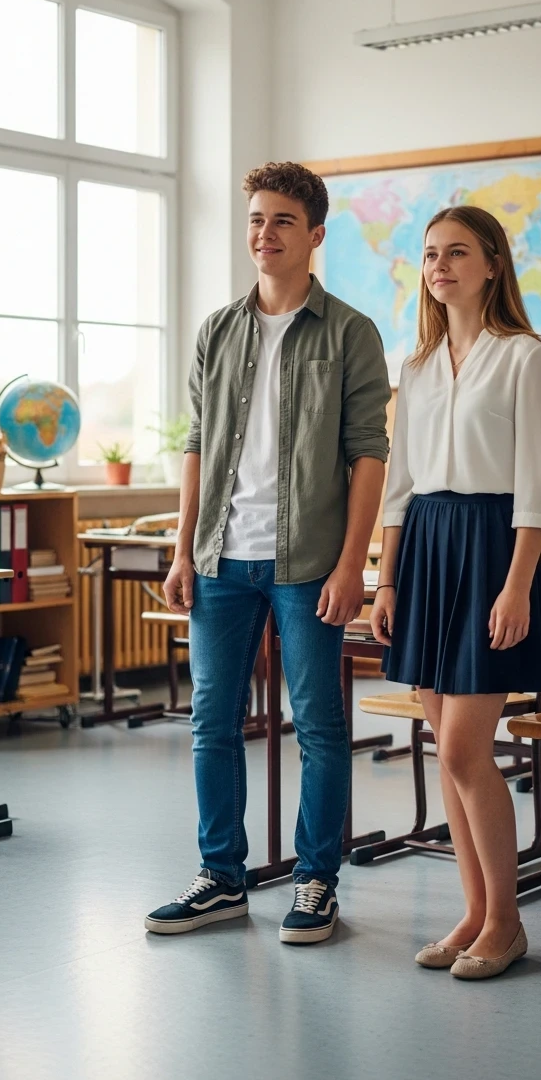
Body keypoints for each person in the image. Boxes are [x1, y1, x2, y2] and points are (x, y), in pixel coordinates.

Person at [145, 161, 391, 945]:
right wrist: (182, 550)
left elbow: (368, 455)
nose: (265, 233)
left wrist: (353, 564)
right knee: (211, 725)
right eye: (255, 219)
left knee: (317, 725)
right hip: (220, 559)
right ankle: (222, 877)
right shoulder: (217, 330)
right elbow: (194, 447)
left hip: (309, 561)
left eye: (282, 220)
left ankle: (317, 880)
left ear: (315, 234)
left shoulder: (350, 332)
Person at [369, 205, 541, 980]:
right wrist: (386, 578)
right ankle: (475, 912)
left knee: (463, 748)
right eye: (429, 255)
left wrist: (517, 586)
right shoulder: (414, 367)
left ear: (492, 264)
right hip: (425, 551)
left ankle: (508, 923)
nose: (440, 266)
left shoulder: (526, 358)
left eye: (457, 253)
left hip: (490, 553)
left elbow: (535, 488)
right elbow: (400, 483)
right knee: (446, 757)